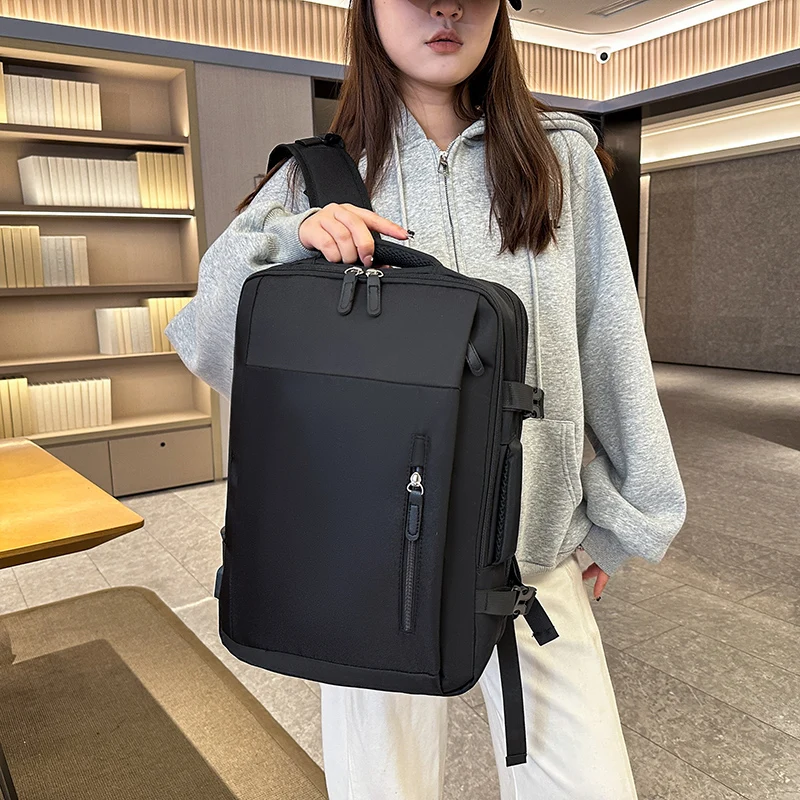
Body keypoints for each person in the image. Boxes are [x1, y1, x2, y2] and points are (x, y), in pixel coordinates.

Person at [165, 0, 687, 796]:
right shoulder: (314, 177)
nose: (446, 8)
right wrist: (285, 241)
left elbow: (609, 342)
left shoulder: (559, 161)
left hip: (533, 563)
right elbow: (209, 344)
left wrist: (623, 520)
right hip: (369, 563)